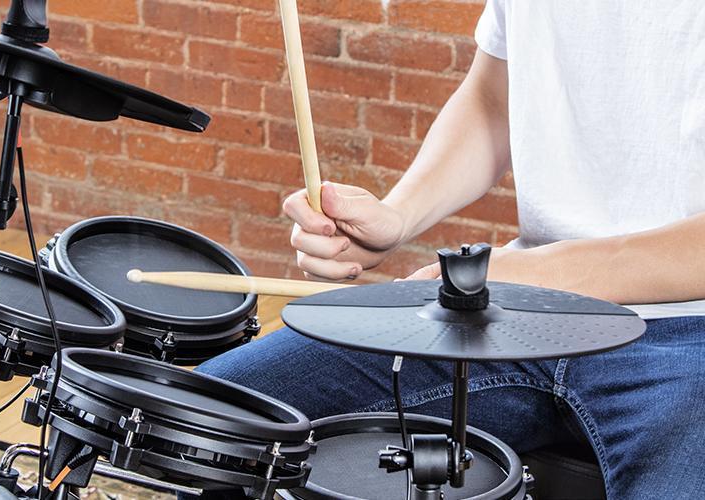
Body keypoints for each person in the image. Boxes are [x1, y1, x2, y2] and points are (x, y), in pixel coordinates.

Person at [196, 2, 705, 498]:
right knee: (216, 423)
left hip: (689, 334)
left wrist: (545, 274)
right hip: (515, 313)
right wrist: (398, 216)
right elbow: (493, 97)